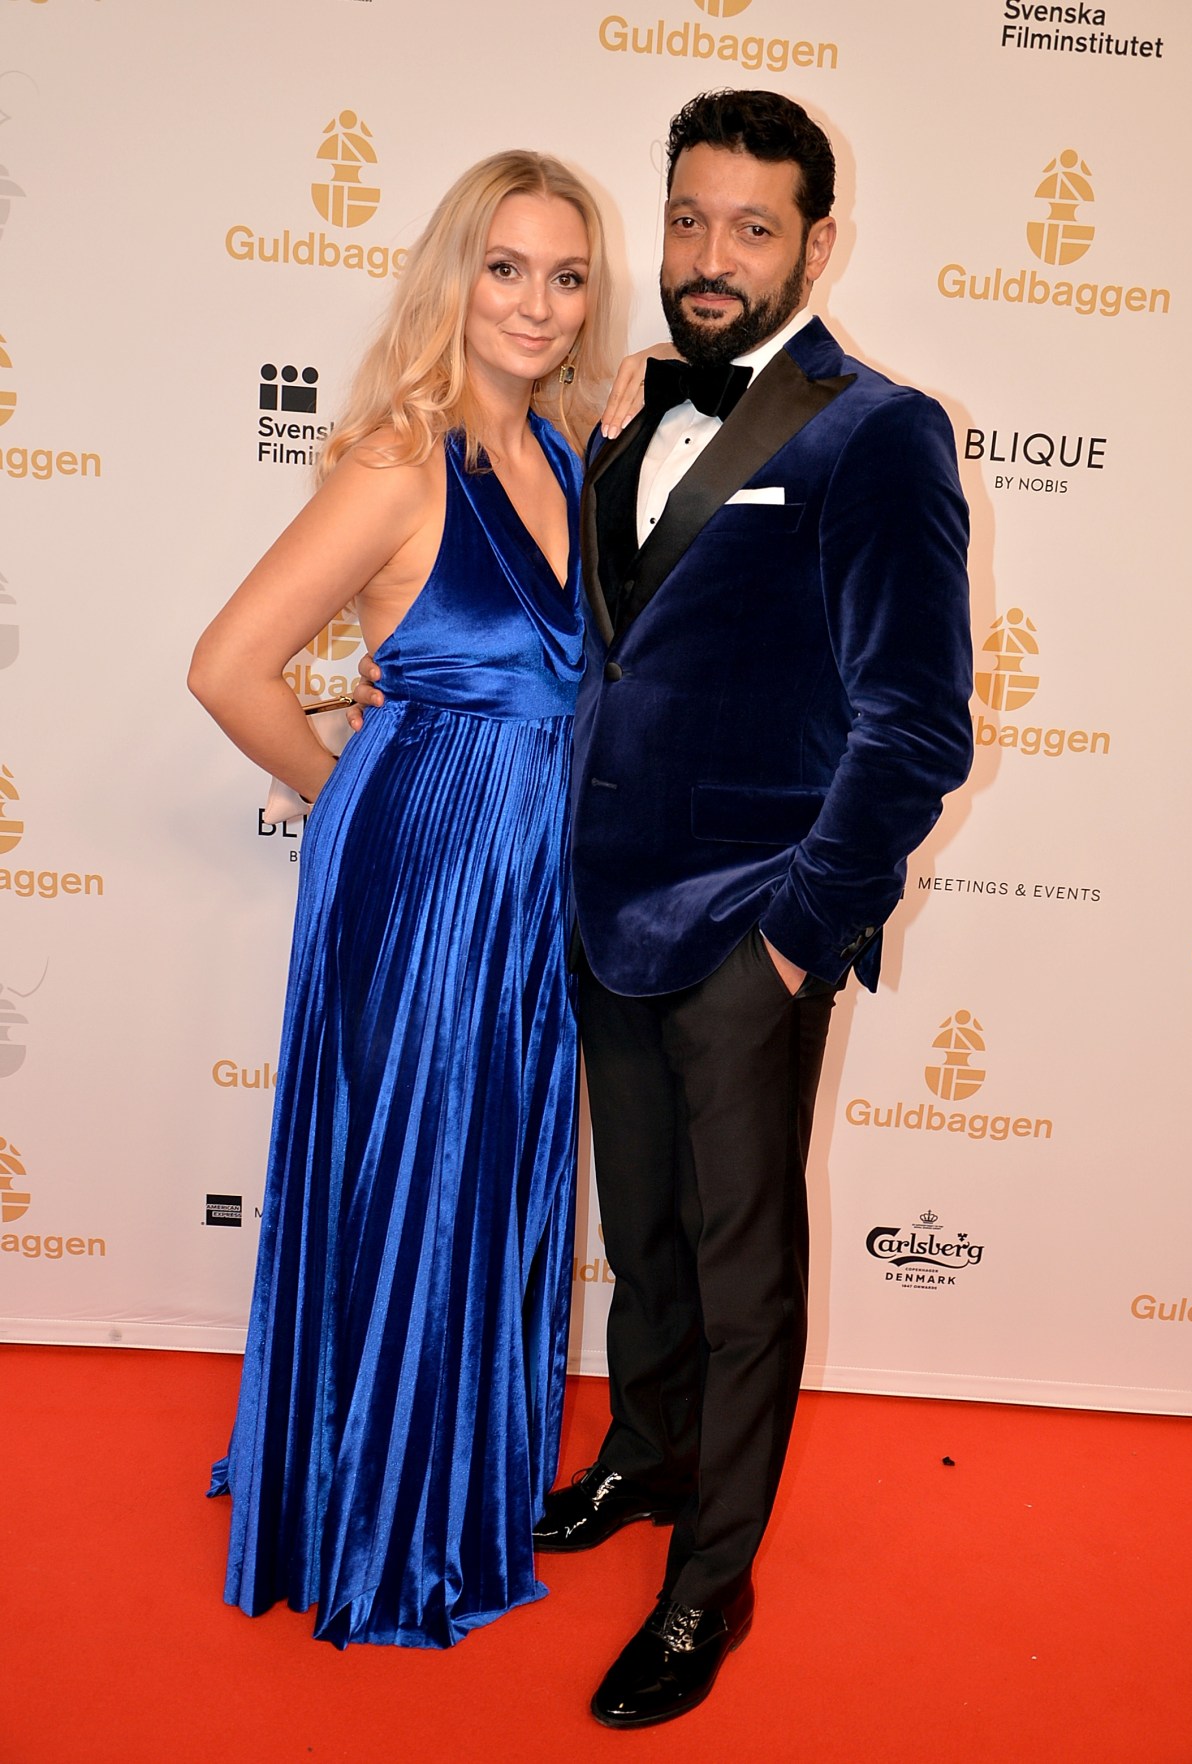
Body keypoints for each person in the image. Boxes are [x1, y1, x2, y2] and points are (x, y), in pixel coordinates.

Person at [352, 88, 974, 1723]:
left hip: (753, 928)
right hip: (601, 909)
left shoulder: (879, 430)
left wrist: (797, 938)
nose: (712, 256)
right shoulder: (619, 417)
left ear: (816, 246)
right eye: (690, 219)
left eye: (754, 228)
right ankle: (642, 1452)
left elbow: (916, 726)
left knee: (744, 1271)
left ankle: (710, 1588)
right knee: (642, 1235)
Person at [188, 149, 614, 1649]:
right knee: (415, 1164)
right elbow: (228, 668)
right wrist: (342, 787)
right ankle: (376, 1510)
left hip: (533, 882)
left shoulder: (567, 457)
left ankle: (443, 1466)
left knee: (493, 1169)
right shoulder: (398, 461)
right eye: (506, 268)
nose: (536, 304)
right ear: (453, 276)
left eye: (567, 276)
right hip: (421, 871)